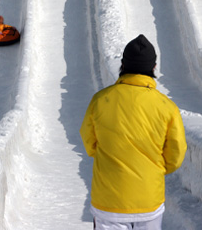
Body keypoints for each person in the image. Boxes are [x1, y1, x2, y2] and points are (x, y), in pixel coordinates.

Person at [80, 34, 187, 230]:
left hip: (108, 201)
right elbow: (176, 155)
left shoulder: (100, 100)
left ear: (123, 65)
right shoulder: (166, 107)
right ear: (153, 67)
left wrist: (110, 156)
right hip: (149, 200)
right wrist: (154, 169)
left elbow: (89, 143)